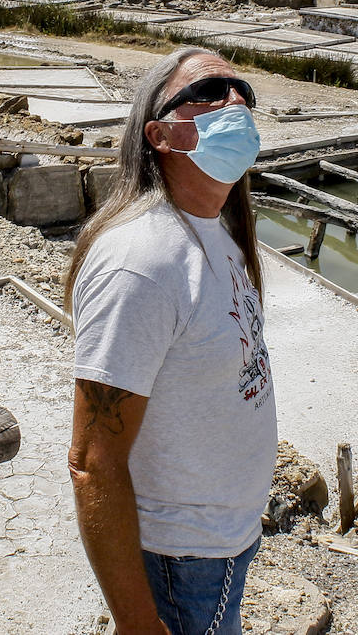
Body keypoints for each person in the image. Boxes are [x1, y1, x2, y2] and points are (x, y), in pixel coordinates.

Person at [66, 47, 276, 635]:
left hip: (220, 545)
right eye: (210, 93)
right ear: (161, 134)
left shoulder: (219, 234)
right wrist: (136, 621)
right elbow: (91, 463)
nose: (236, 101)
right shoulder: (143, 262)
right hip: (179, 562)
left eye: (242, 92)